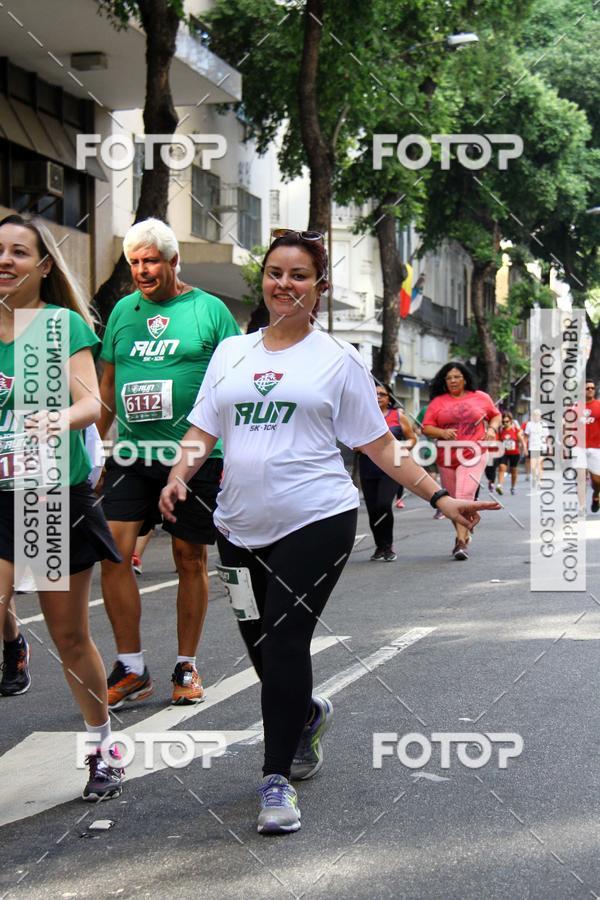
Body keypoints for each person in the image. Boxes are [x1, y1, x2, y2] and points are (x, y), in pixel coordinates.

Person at [158, 229, 499, 835]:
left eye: (297, 275)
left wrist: (443, 496)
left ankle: (276, 778)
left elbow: (379, 446)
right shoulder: (231, 354)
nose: (283, 284)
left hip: (317, 519)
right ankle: (307, 713)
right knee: (263, 650)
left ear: (320, 288)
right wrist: (179, 474)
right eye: (274, 273)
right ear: (261, 280)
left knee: (287, 645)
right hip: (236, 526)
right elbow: (203, 428)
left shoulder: (338, 360)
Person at [0, 213, 123, 800]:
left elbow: (91, 403)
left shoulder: (56, 325)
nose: (5, 261)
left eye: (19, 253)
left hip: (48, 497)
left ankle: (103, 746)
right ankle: (10, 640)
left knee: (71, 637)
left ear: (43, 266)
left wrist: (58, 419)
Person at [98, 218, 240, 709]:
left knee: (189, 558)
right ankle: (132, 666)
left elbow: (233, 387)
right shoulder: (121, 312)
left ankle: (186, 664)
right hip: (132, 454)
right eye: (135, 262)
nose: (142, 270)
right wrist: (96, 450)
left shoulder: (210, 311)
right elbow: (105, 388)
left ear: (173, 262)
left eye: (151, 261)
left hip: (195, 457)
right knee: (113, 554)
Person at [422, 362, 501, 560]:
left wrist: (491, 429)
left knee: (463, 494)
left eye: (457, 376)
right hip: (447, 457)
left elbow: (496, 415)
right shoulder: (438, 402)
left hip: (474, 452)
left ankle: (461, 542)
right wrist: (442, 432)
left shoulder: (481, 397)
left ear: (465, 378)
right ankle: (464, 531)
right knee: (452, 501)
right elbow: (427, 427)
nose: (453, 381)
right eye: (449, 378)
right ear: (444, 382)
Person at [359, 383, 416, 559]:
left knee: (384, 505)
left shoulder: (398, 416)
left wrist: (401, 448)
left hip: (391, 468)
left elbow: (412, 438)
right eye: (374, 394)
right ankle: (379, 546)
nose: (378, 397)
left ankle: (388, 546)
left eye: (382, 394)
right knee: (373, 509)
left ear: (389, 398)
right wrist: (359, 446)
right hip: (368, 467)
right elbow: (352, 440)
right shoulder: (362, 416)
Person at [573, 379, 600, 513]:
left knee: (597, 481)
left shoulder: (599, 405)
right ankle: (581, 506)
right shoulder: (575, 407)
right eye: (587, 388)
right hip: (579, 447)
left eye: (592, 388)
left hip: (596, 447)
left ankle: (596, 496)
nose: (590, 390)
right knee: (580, 476)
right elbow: (568, 426)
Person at [496, 411, 526, 495]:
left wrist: (525, 449)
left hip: (514, 453)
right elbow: (497, 441)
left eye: (507, 421)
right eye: (503, 422)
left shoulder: (516, 430)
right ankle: (500, 486)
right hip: (504, 453)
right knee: (502, 467)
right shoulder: (501, 430)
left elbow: (521, 439)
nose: (505, 423)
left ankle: (513, 487)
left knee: (513, 470)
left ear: (511, 421)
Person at [524, 409, 547, 489]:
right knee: (533, 466)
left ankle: (540, 481)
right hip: (532, 447)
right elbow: (526, 438)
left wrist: (549, 447)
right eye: (535, 415)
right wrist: (525, 448)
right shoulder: (529, 424)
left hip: (542, 447)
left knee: (540, 464)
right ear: (532, 416)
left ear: (540, 416)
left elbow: (547, 437)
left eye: (538, 415)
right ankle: (534, 477)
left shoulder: (544, 424)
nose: (536, 416)